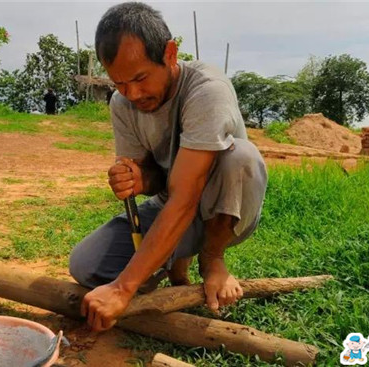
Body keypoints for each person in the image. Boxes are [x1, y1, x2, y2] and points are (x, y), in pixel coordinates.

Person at [69, 2, 268, 332]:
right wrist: (138, 179)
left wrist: (123, 288)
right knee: (86, 266)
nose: (132, 94)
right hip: (174, 203)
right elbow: (158, 179)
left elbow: (186, 196)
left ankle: (212, 259)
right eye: (119, 83)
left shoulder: (207, 91)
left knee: (240, 156)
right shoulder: (123, 103)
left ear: (170, 53)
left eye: (140, 78)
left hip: (225, 207)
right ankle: (174, 265)